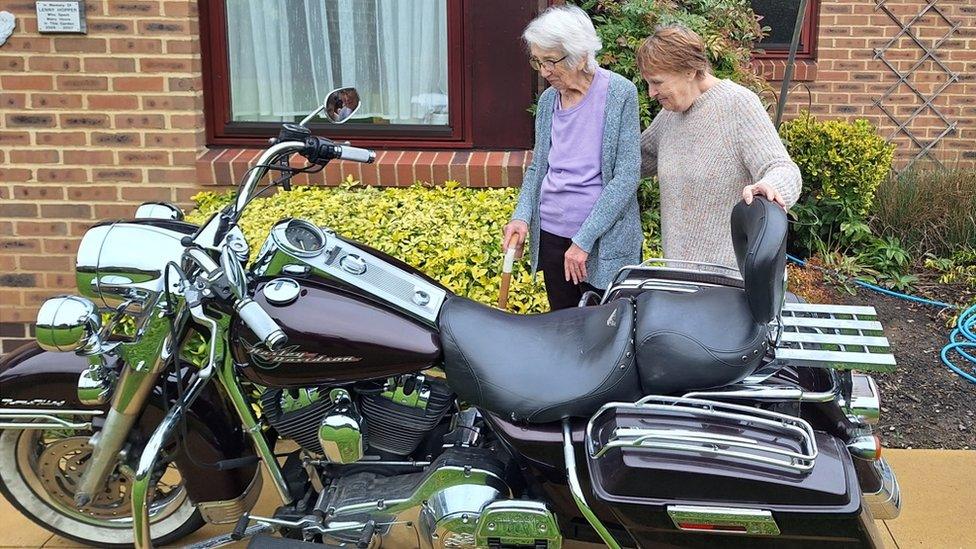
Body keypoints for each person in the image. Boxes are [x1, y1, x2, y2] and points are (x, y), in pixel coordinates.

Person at [503, 5, 642, 311]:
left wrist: (583, 240)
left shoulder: (620, 93)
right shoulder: (549, 99)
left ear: (580, 56)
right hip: (552, 234)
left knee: (605, 332)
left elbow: (627, 175)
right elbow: (539, 167)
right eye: (538, 61)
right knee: (564, 328)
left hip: (602, 241)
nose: (544, 71)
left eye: (551, 61)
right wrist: (521, 216)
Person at [637, 24, 801, 270]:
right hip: (677, 279)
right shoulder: (669, 116)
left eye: (657, 82)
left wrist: (770, 187)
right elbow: (631, 161)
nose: (651, 93)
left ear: (690, 71)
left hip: (727, 285)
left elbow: (783, 169)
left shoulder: (737, 105)